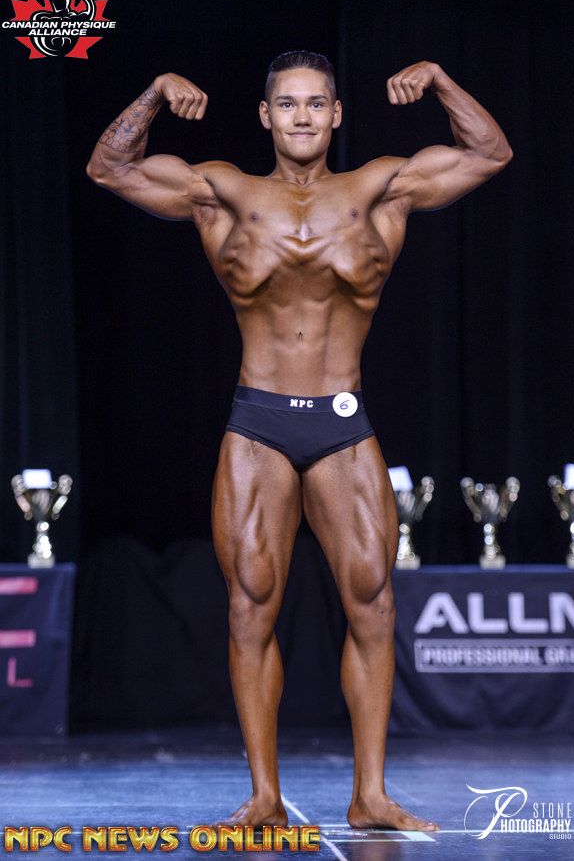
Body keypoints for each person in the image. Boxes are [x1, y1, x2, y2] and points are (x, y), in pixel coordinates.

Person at [87, 50, 512, 831]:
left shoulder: (379, 189)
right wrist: (153, 94)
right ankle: (263, 796)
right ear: (265, 115)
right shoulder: (224, 192)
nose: (303, 116)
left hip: (341, 421)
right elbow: (108, 169)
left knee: (372, 602)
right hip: (258, 422)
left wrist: (440, 79)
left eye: (317, 103)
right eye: (288, 104)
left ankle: (369, 794)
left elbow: (489, 154)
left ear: (337, 114)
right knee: (250, 606)